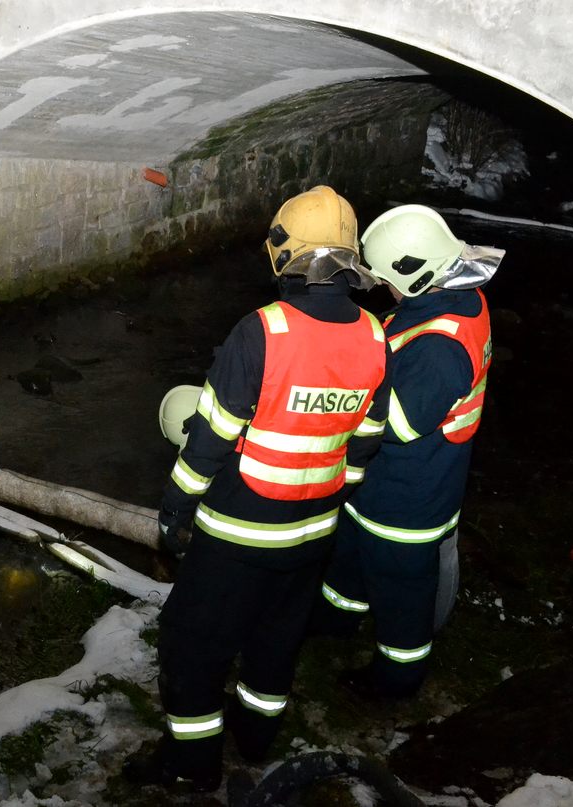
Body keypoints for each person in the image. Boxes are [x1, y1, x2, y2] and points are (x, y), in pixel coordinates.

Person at [125, 186, 391, 793]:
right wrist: (332, 494)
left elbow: (211, 439)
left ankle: (191, 766)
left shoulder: (262, 331)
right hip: (313, 533)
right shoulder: (376, 336)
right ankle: (254, 738)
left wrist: (175, 509)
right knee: (275, 640)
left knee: (192, 645)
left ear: (284, 252)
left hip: (238, 533)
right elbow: (365, 442)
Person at [313, 204, 504, 700]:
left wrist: (336, 390)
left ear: (416, 273)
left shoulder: (440, 349)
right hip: (379, 489)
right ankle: (336, 620)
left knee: (401, 596)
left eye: (386, 281)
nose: (383, 289)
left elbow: (395, 425)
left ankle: (397, 678)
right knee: (350, 558)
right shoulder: (452, 299)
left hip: (407, 500)